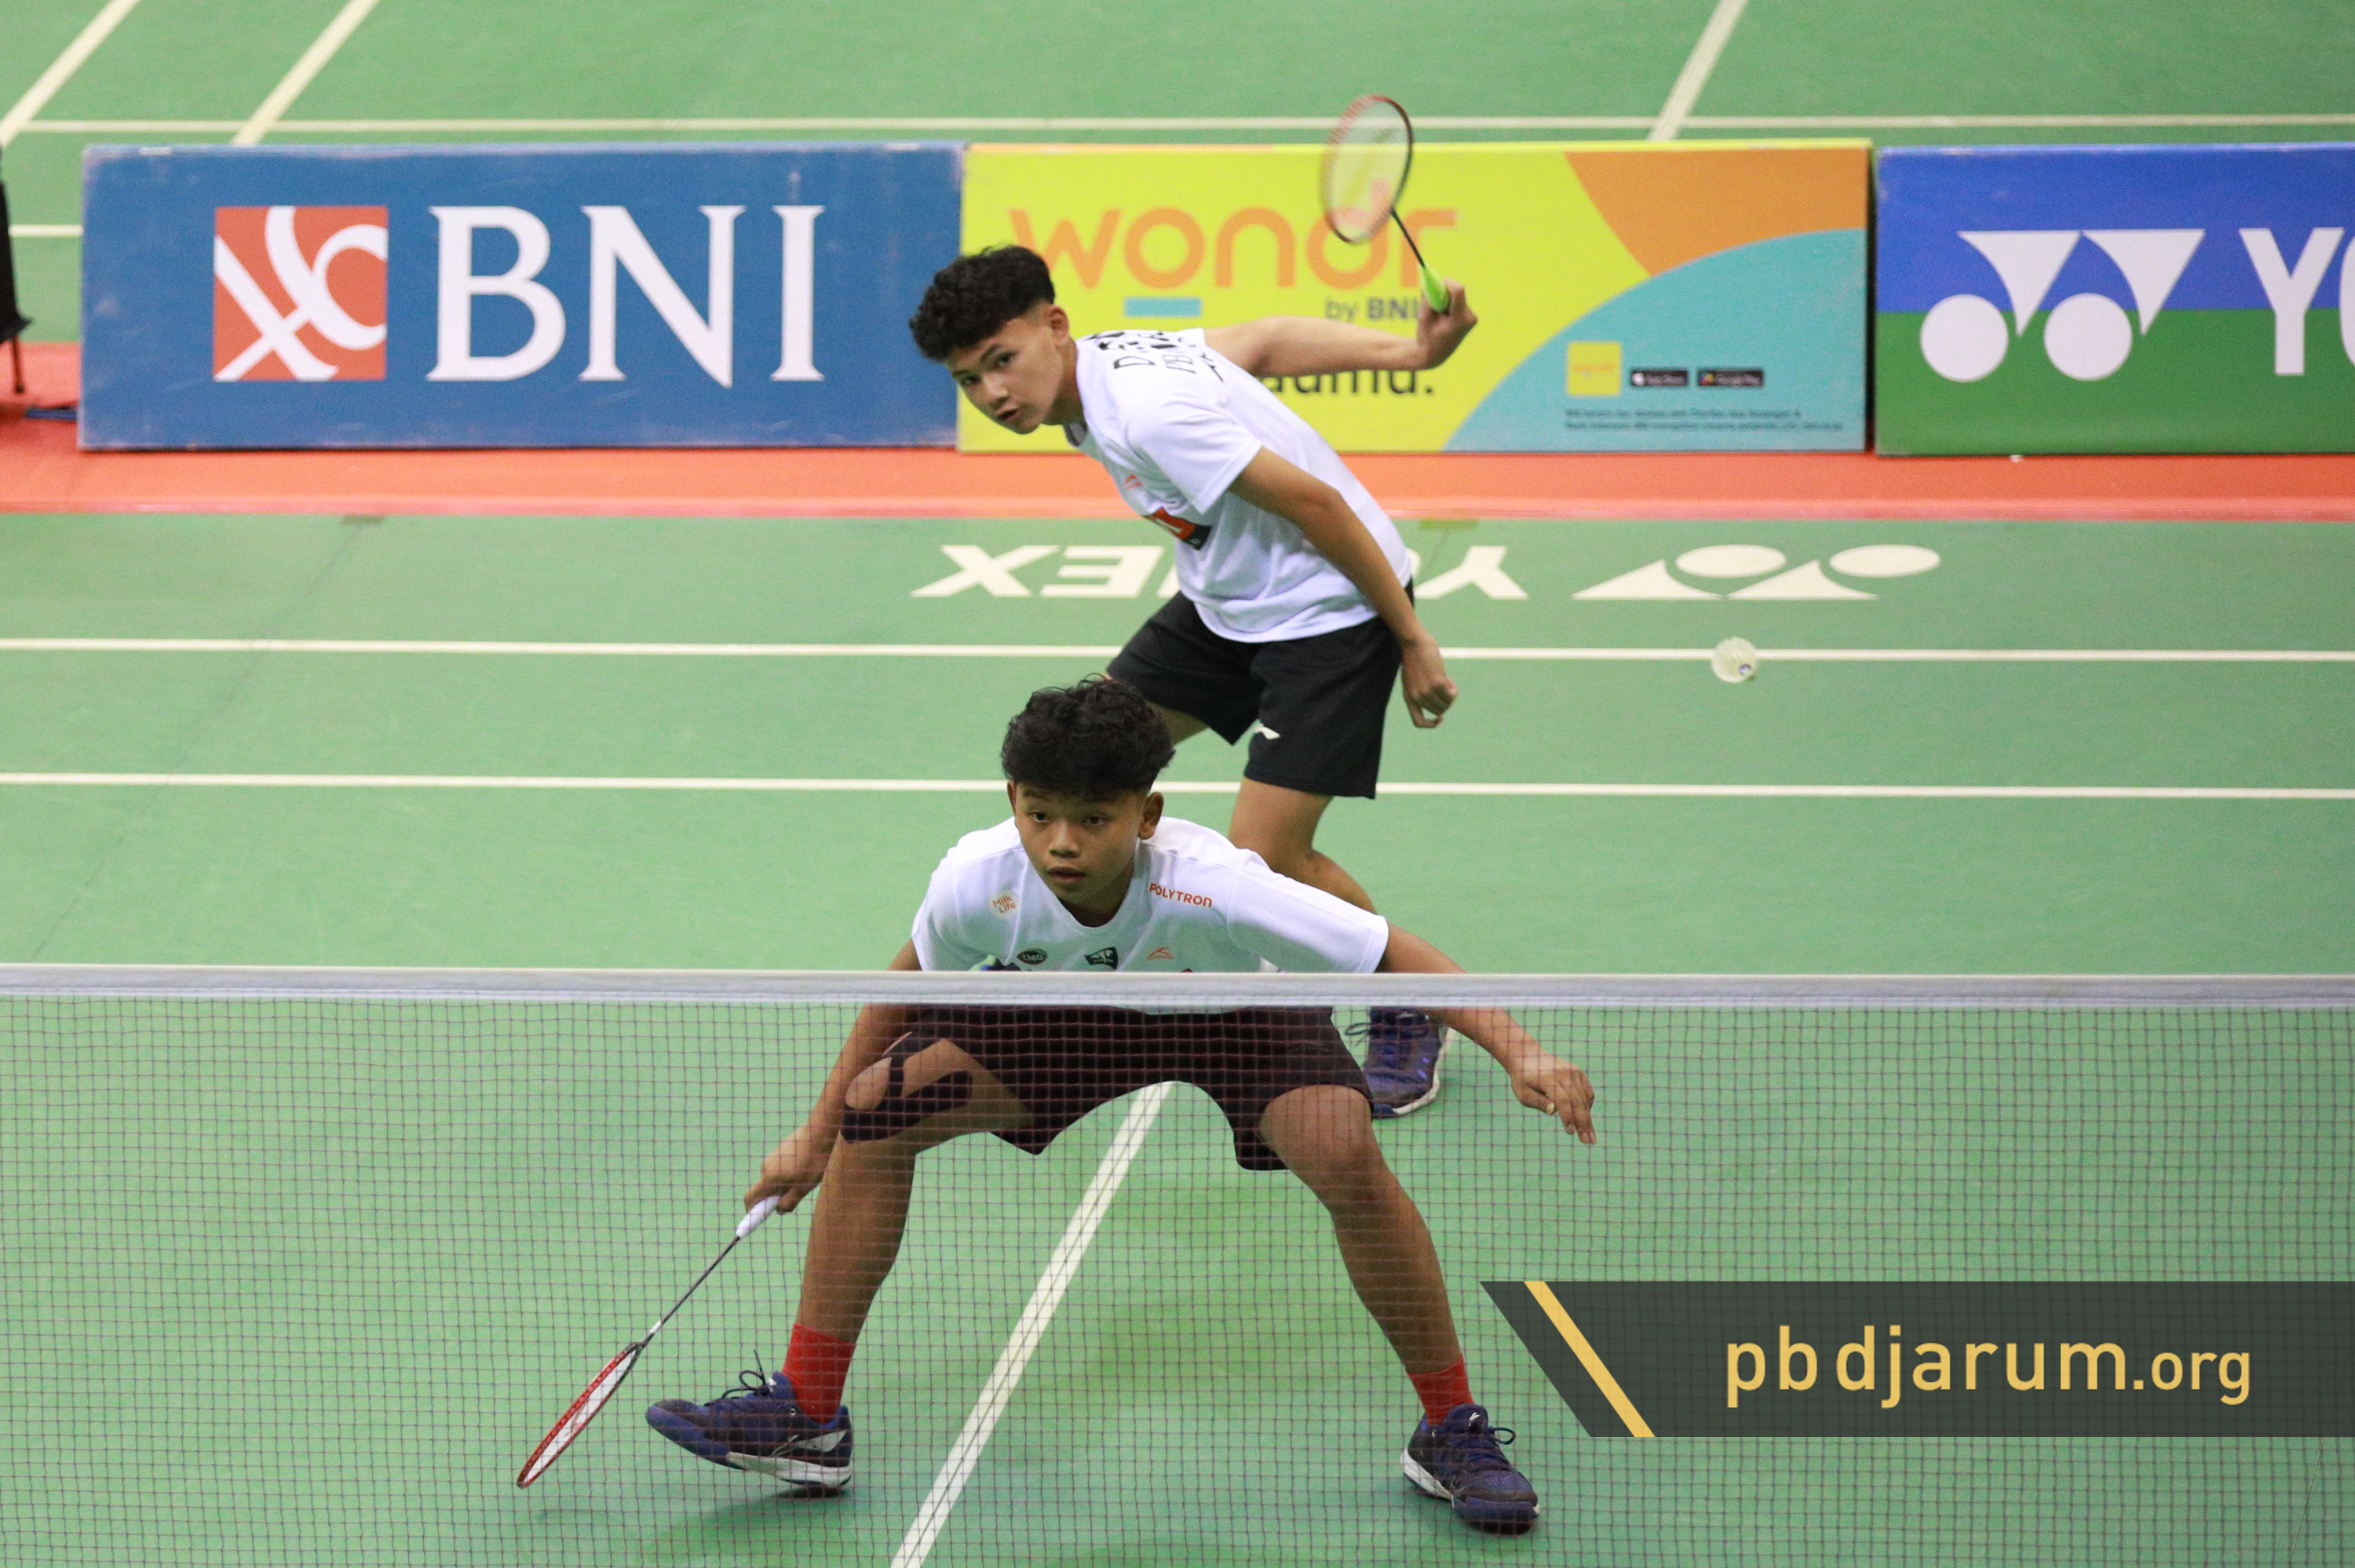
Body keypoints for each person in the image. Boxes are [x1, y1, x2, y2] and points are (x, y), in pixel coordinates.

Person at [645, 678, 1597, 1533]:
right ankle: (808, 1416)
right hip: (1072, 1010)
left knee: (1342, 1151)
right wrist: (816, 1135)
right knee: (876, 1110)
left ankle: (1450, 1424)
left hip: (1233, 1011)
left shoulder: (1217, 886)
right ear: (1013, 801)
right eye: (1041, 814)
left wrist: (1520, 1049)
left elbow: (1393, 953)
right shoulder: (979, 879)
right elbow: (905, 986)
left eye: (1093, 819)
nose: (1062, 842)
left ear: (1147, 813)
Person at [907, 246, 1479, 1117]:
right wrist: (1411, 352)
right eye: (968, 380)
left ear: (1054, 327)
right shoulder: (1108, 364)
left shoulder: (1148, 414)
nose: (992, 393)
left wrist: (1409, 636)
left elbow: (1318, 502)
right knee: (1072, 759)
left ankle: (1404, 1004)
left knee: (1270, 852)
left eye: (1002, 361)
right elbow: (1266, 342)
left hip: (1328, 612)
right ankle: (1034, 943)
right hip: (1224, 603)